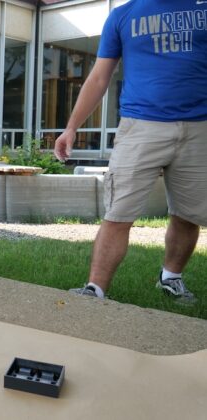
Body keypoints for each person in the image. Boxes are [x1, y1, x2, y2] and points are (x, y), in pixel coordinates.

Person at [55, 0, 206, 304]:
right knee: (118, 213)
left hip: (200, 127)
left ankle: (171, 278)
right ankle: (95, 289)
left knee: (188, 214)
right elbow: (99, 77)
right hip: (140, 127)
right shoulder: (123, 15)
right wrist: (71, 127)